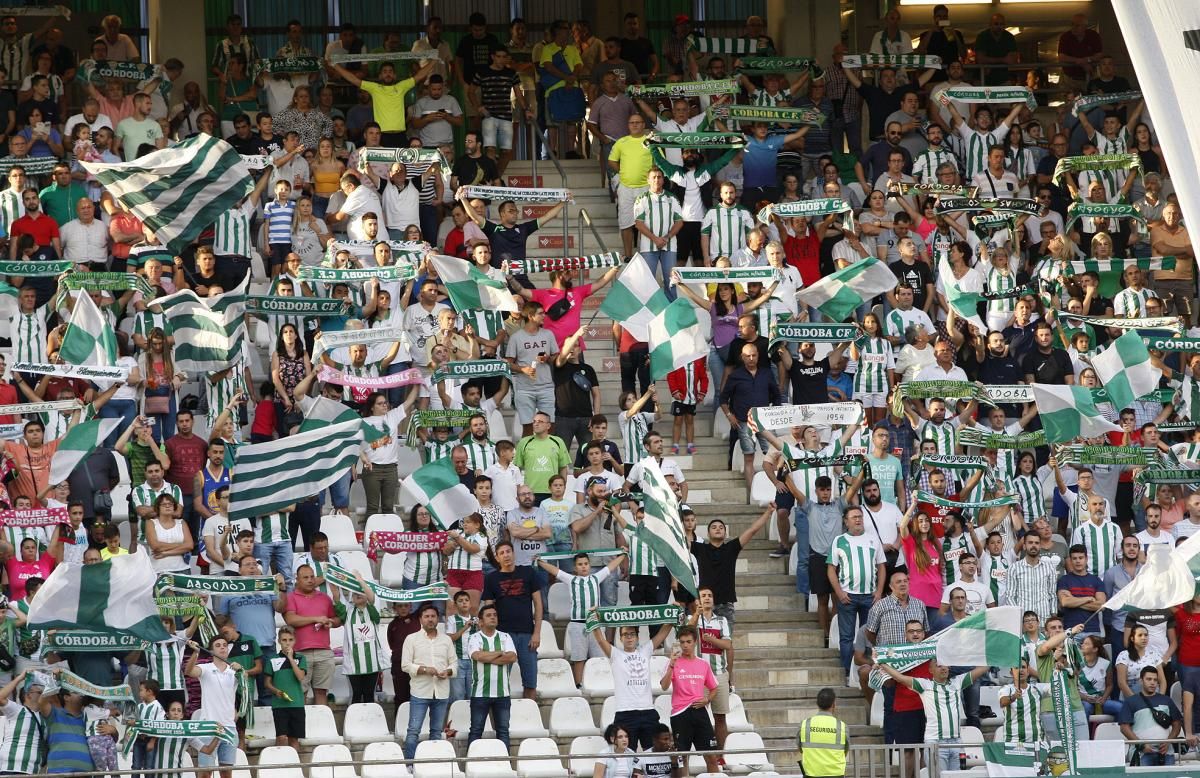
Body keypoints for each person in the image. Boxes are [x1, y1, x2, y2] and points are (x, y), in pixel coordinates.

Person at [878, 660, 989, 773]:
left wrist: (996, 655)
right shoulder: (925, 685)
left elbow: (982, 669)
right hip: (935, 742)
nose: (943, 668)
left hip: (956, 742)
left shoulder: (958, 682)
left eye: (945, 665)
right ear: (930, 670)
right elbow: (900, 678)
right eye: (938, 666)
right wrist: (882, 664)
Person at [536, 552, 625, 686]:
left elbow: (611, 566)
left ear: (589, 565)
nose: (583, 567)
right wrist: (540, 561)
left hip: (596, 624)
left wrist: (623, 554)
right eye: (580, 564)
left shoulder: (596, 578)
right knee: (579, 658)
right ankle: (579, 686)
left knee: (599, 658)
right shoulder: (571, 579)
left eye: (585, 564)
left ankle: (598, 683)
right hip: (577, 625)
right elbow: (555, 570)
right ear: (575, 568)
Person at [593, 622, 674, 750]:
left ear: (637, 637)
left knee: (652, 754)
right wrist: (593, 621)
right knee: (627, 756)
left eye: (632, 634)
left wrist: (672, 613)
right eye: (625, 634)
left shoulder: (645, 651)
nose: (629, 637)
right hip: (625, 713)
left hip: (647, 711)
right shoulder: (615, 654)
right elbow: (600, 640)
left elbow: (662, 633)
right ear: (620, 638)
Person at [481, 541, 542, 700]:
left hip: (527, 634)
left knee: (531, 682)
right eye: (502, 553)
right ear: (497, 558)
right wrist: (492, 637)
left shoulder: (528, 573)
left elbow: (538, 604)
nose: (506, 555)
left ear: (513, 553)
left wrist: (537, 633)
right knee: (499, 681)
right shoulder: (491, 578)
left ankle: (530, 717)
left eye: (508, 551)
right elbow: (488, 610)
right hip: (503, 635)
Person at [829, 505, 886, 675]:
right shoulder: (839, 540)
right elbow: (831, 568)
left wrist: (879, 591)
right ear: (846, 521)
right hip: (847, 595)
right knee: (846, 636)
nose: (858, 519)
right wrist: (839, 592)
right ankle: (848, 672)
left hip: (870, 596)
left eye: (860, 516)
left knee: (868, 637)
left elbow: (881, 566)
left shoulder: (873, 539)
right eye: (854, 517)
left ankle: (867, 671)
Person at [402, 604, 457, 759]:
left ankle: (434, 764)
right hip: (420, 692)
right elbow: (405, 665)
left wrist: (448, 671)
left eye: (433, 616)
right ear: (420, 619)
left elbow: (454, 664)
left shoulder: (446, 640)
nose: (430, 619)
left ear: (438, 619)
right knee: (413, 730)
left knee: (436, 732)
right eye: (426, 616)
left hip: (441, 692)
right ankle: (410, 765)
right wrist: (426, 670)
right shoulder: (411, 639)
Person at [662, 626, 718, 775]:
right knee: (682, 757)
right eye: (682, 642)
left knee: (712, 756)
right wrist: (672, 665)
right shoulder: (673, 662)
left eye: (688, 642)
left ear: (695, 642)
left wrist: (707, 700)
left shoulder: (703, 664)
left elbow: (714, 688)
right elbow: (664, 686)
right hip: (680, 713)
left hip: (700, 711)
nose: (685, 645)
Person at [285, 564, 341, 706]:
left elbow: (337, 620)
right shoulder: (291, 597)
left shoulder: (325, 598)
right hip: (300, 652)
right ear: (297, 579)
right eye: (305, 577)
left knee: (321, 692)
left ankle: (320, 725)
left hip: (324, 651)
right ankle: (301, 726)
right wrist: (316, 618)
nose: (310, 580)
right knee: (300, 692)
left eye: (312, 577)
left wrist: (330, 622)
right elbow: (290, 619)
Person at [185, 635, 240, 778]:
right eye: (218, 645)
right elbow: (189, 671)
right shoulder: (206, 668)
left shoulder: (235, 671)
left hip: (229, 728)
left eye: (224, 645)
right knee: (205, 773)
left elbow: (246, 693)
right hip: (209, 726)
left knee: (227, 772)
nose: (222, 647)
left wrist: (242, 672)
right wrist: (196, 653)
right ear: (211, 651)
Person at [466, 603, 517, 746]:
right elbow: (477, 656)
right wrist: (500, 653)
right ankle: (472, 762)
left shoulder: (505, 636)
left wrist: (487, 657)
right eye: (489, 615)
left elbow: (512, 657)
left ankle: (505, 764)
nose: (493, 617)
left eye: (494, 615)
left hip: (503, 694)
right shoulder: (474, 638)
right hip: (480, 693)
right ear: (480, 621)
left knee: (503, 731)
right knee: (476, 731)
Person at [1120, 666, 1182, 766]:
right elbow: (1124, 728)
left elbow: (1177, 724)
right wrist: (1141, 745)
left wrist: (1168, 742)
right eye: (1149, 679)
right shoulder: (1130, 701)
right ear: (1141, 681)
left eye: (1155, 680)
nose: (1153, 682)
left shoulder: (1167, 700)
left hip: (1166, 752)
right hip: (1142, 753)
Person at [263, 626, 306, 750]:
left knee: (294, 739)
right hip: (279, 705)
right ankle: (280, 764)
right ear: (279, 641)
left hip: (297, 704)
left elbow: (300, 677)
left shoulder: (300, 658)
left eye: (290, 640)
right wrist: (276, 691)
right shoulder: (272, 659)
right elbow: (267, 683)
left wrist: (291, 658)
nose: (287, 643)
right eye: (284, 640)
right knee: (281, 737)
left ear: (295, 641)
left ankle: (295, 767)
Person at [796, 687, 849, 778]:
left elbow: (801, 748)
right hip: (836, 775)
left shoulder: (805, 724)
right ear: (834, 705)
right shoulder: (842, 726)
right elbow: (845, 750)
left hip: (811, 774)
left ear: (817, 704)